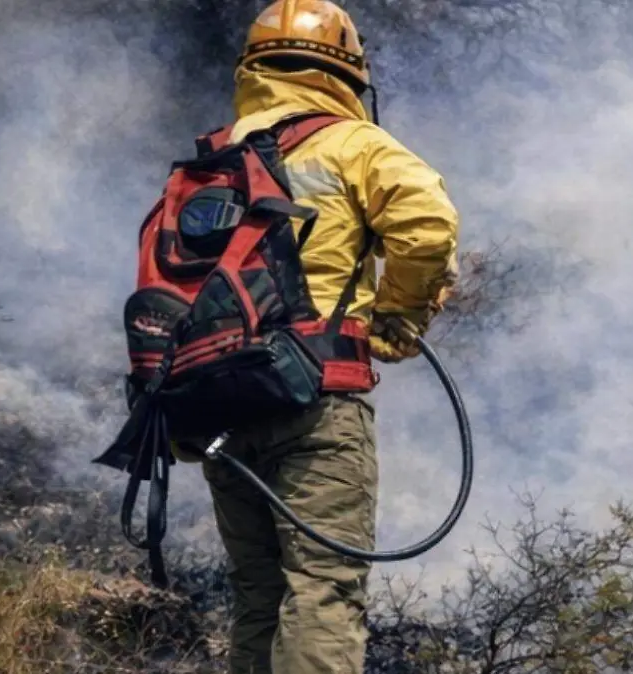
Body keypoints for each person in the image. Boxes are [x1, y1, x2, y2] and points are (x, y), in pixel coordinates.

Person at [192, 2, 461, 672]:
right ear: (346, 73)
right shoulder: (351, 144)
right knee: (325, 590)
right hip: (316, 399)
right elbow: (427, 224)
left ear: (252, 67)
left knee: (258, 594)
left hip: (218, 406)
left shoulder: (215, 158)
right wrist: (397, 320)